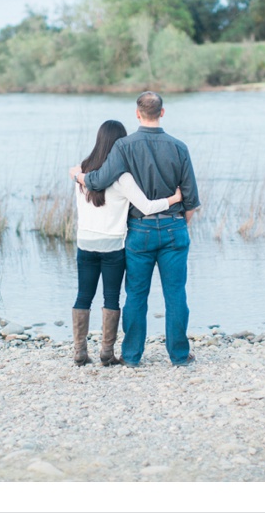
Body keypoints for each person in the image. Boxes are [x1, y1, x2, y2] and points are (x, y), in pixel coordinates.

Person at [70, 92, 200, 367]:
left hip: (139, 230)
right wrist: (177, 224)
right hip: (174, 227)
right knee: (175, 293)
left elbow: (100, 180)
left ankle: (131, 355)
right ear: (162, 113)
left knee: (136, 293)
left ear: (137, 114)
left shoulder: (124, 146)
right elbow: (191, 199)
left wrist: (79, 176)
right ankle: (178, 355)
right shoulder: (179, 147)